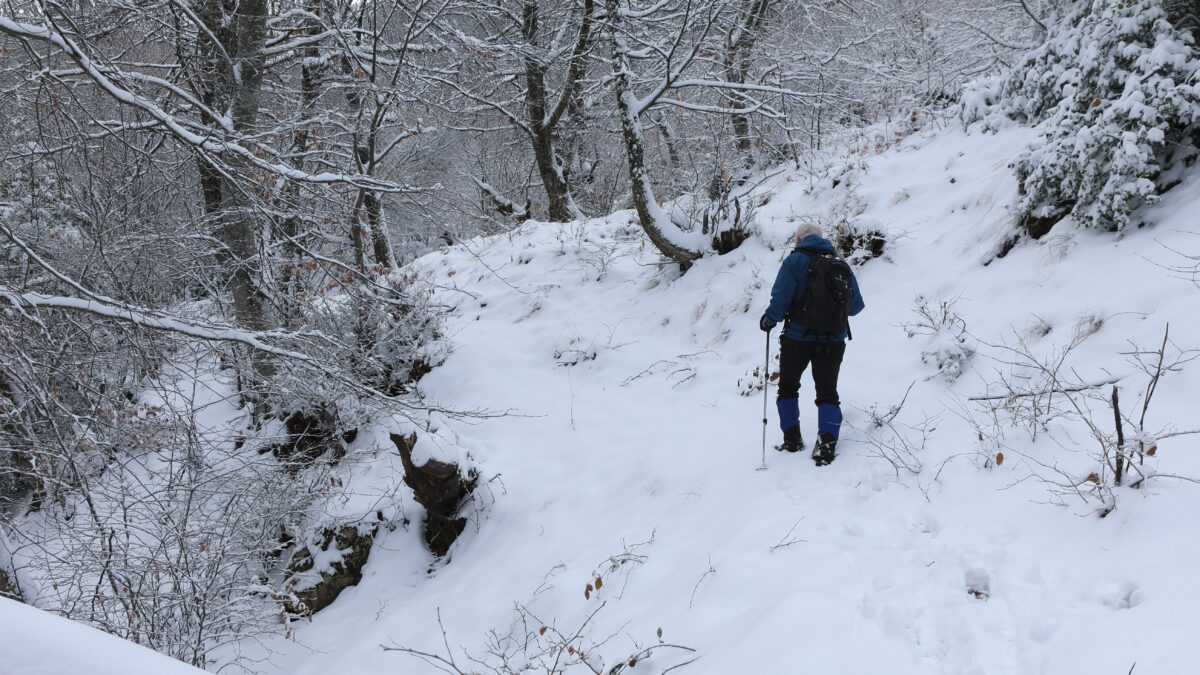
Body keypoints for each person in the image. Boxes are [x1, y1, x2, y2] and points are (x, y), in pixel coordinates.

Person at [759, 222, 865, 465]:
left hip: (797, 338)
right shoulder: (840, 264)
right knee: (827, 391)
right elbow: (856, 307)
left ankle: (792, 441)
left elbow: (781, 298)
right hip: (833, 339)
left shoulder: (794, 261)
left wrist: (769, 320)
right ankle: (826, 446)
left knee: (788, 387)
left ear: (798, 240)